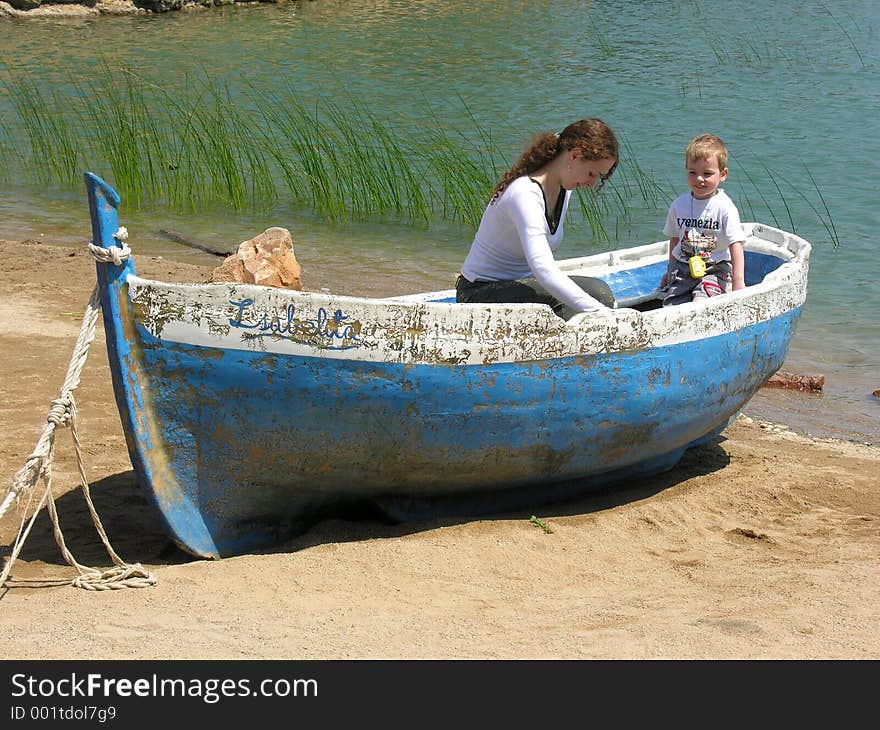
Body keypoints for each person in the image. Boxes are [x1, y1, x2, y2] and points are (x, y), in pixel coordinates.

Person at [455, 118, 619, 319]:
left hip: (523, 286)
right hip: (477, 294)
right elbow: (543, 269)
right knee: (571, 305)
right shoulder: (525, 194)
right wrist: (603, 315)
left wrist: (599, 308)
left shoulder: (565, 186)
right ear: (574, 156)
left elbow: (562, 138)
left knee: (600, 292)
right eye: (592, 173)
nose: (592, 183)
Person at [660, 133, 746, 306]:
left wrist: (738, 281)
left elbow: (735, 244)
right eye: (693, 173)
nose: (699, 179)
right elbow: (675, 239)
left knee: (701, 303)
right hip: (683, 266)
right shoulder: (679, 205)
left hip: (715, 267)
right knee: (671, 306)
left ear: (723, 175)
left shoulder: (724, 207)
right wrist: (669, 270)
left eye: (707, 173)